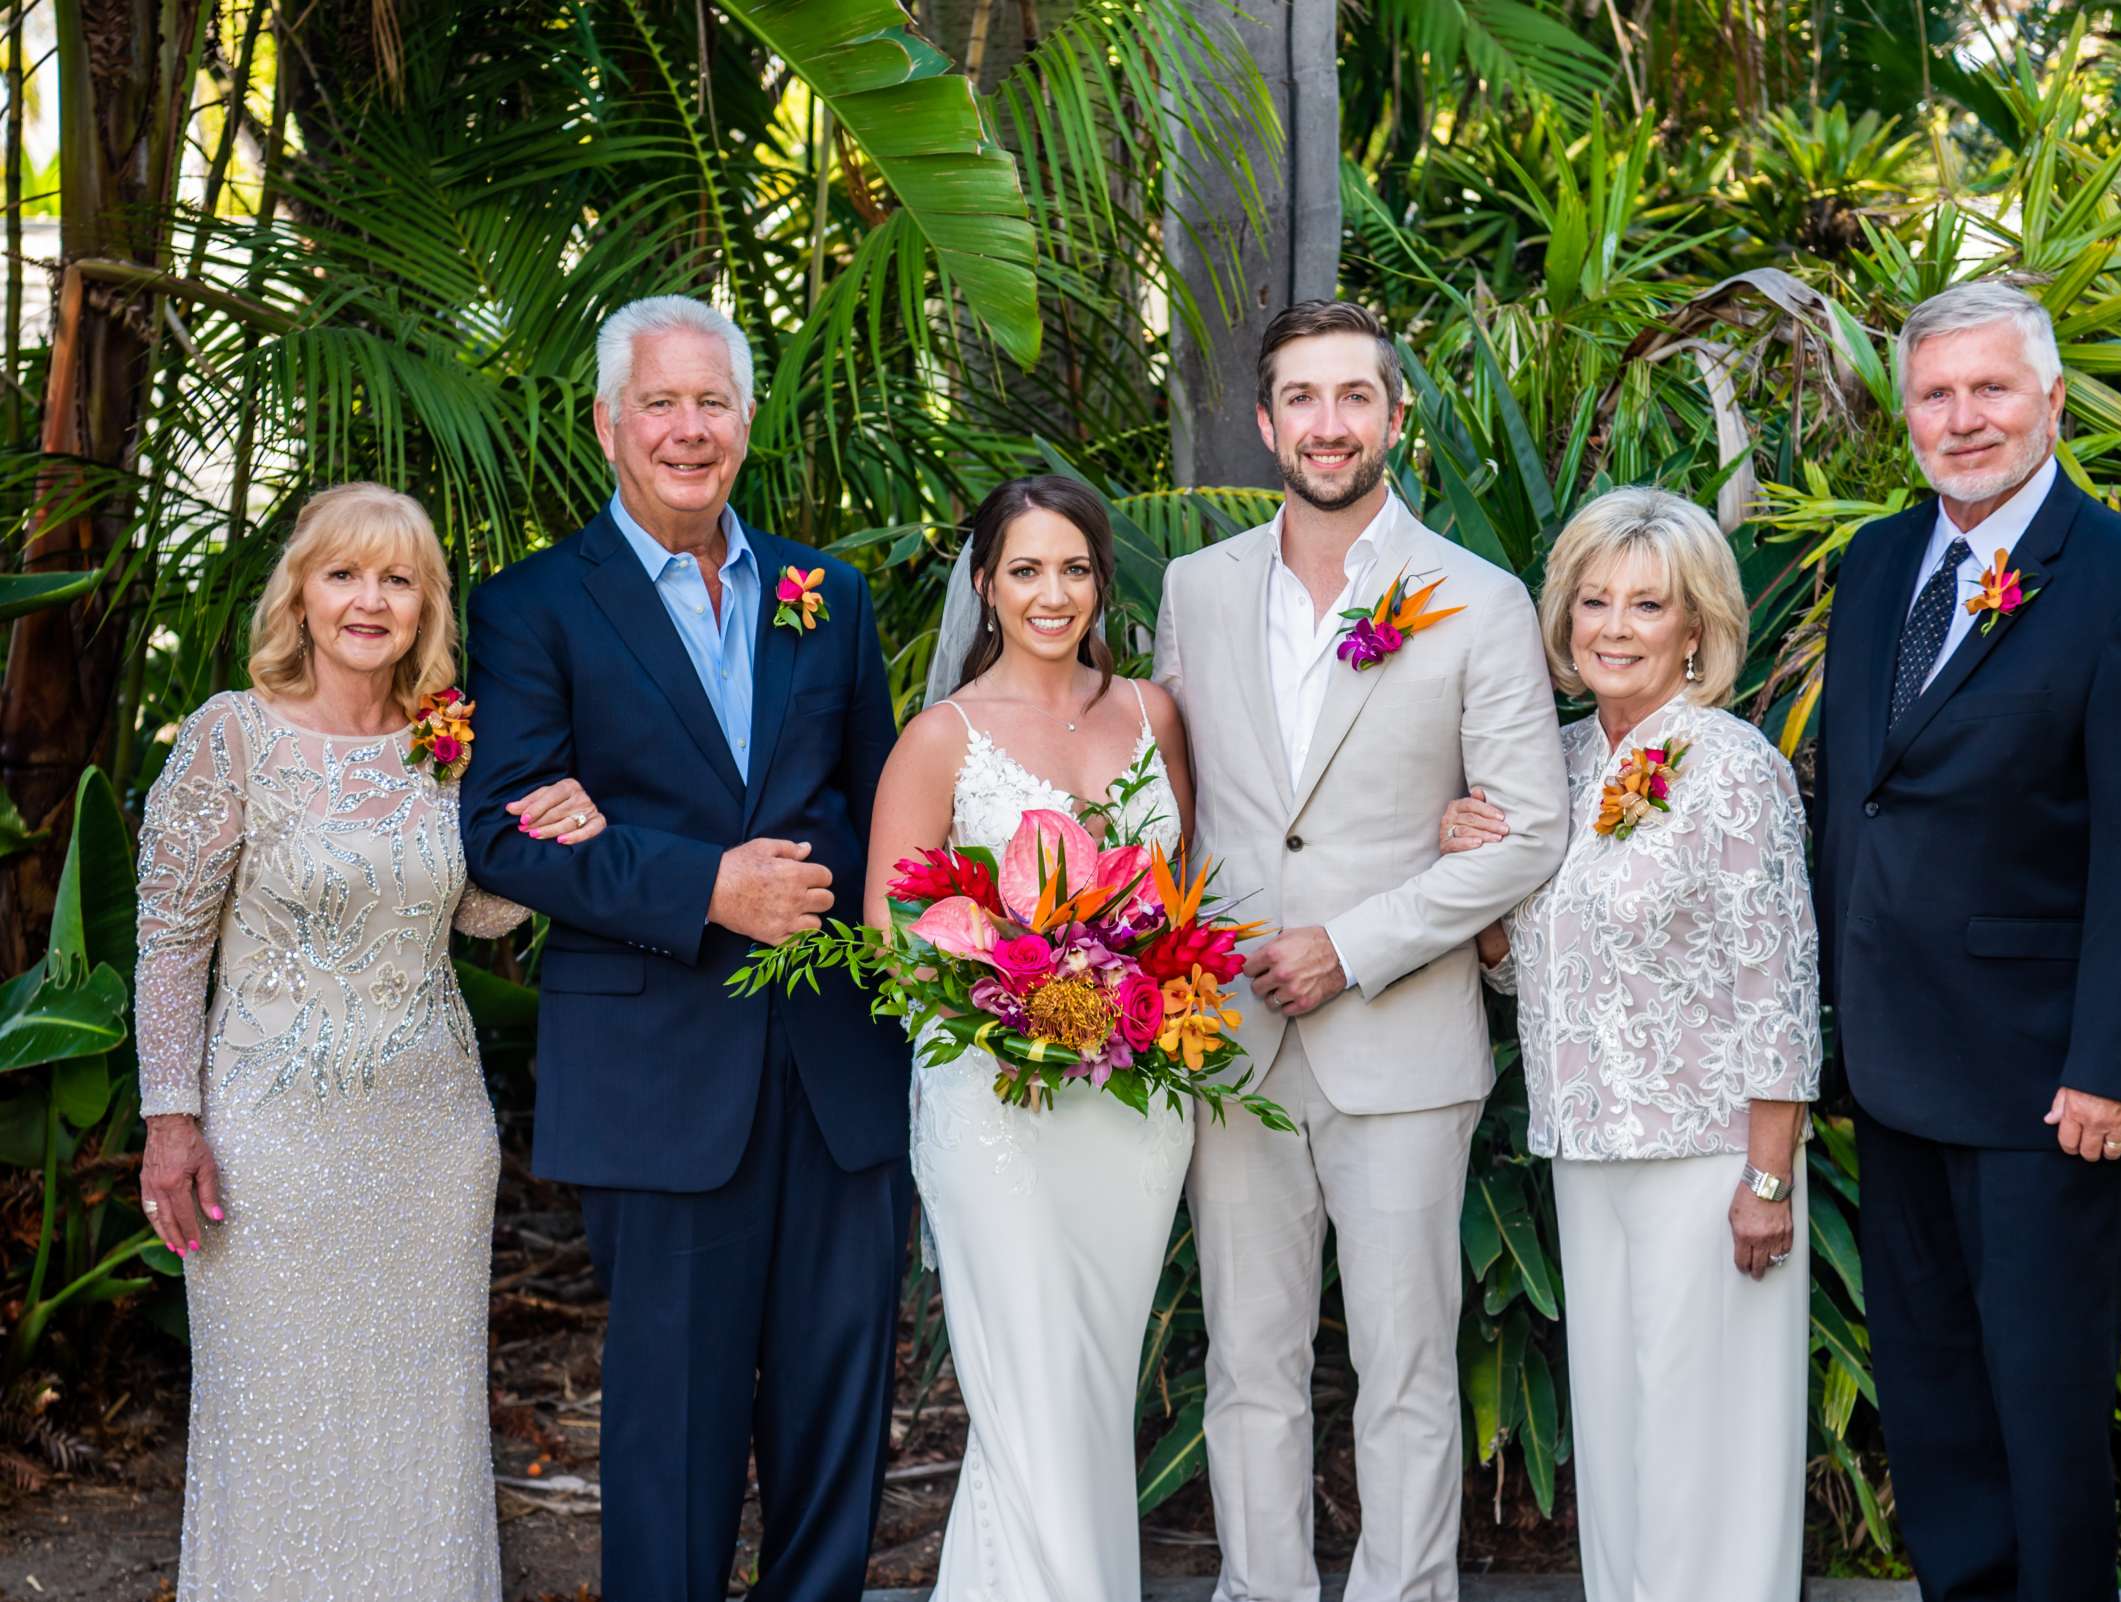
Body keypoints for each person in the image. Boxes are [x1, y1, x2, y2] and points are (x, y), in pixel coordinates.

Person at [458, 295, 910, 1602]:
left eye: (711, 401)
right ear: (607, 422)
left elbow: (880, 811)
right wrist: (703, 881)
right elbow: (500, 830)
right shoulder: (536, 605)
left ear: (748, 421)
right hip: (657, 1072)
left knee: (837, 1419)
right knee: (675, 1428)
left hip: (837, 1069)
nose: (686, 427)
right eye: (659, 401)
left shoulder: (829, 594)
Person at [1812, 280, 2121, 1601]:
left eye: (1991, 388)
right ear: (1907, 417)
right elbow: (1862, 793)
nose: (1963, 416)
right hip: (1895, 1067)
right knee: (1935, 1407)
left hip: (2047, 1085)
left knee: (2043, 1419)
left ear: (2051, 400)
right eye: (1936, 394)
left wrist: (2118, 1063)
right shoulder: (1879, 561)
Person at [1153, 298, 1571, 1602]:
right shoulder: (1197, 589)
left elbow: (1528, 829)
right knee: (1249, 1361)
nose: (1327, 422)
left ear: (1397, 418)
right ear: (1266, 420)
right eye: (1302, 397)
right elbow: (1174, 808)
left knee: (1403, 1365)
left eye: (1354, 397)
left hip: (1400, 1036)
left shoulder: (1477, 598)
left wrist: (1352, 942)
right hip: (1230, 1036)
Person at [133, 482, 607, 1601]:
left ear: (426, 605)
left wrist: (552, 844)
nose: (369, 599)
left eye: (397, 578)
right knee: (275, 1415)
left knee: (419, 1427)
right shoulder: (230, 736)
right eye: (344, 573)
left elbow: (471, 912)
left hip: (432, 1140)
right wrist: (170, 1121)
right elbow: (167, 946)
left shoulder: (449, 741)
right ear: (299, 593)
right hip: (274, 1147)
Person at [1437, 486, 1820, 1602]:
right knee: (1618, 1437)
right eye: (1594, 599)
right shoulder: (1550, 762)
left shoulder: (1731, 765)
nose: (1614, 625)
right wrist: (1483, 885)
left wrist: (1767, 1173)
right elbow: (1528, 975)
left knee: (1712, 1443)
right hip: (1586, 1147)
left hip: (1710, 1161)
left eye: (1646, 605)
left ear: (1695, 627)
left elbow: (1779, 984)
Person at [866, 474, 1199, 1601]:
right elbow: (895, 942)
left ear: (1102, 580)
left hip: (1134, 1108)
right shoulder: (940, 738)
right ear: (984, 585)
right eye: (1024, 570)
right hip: (997, 1107)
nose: (1051, 593)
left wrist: (1121, 995)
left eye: (1073, 568)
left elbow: (1178, 900)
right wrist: (1021, 1010)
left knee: (1092, 1389)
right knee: (1028, 1394)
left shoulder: (1152, 714)